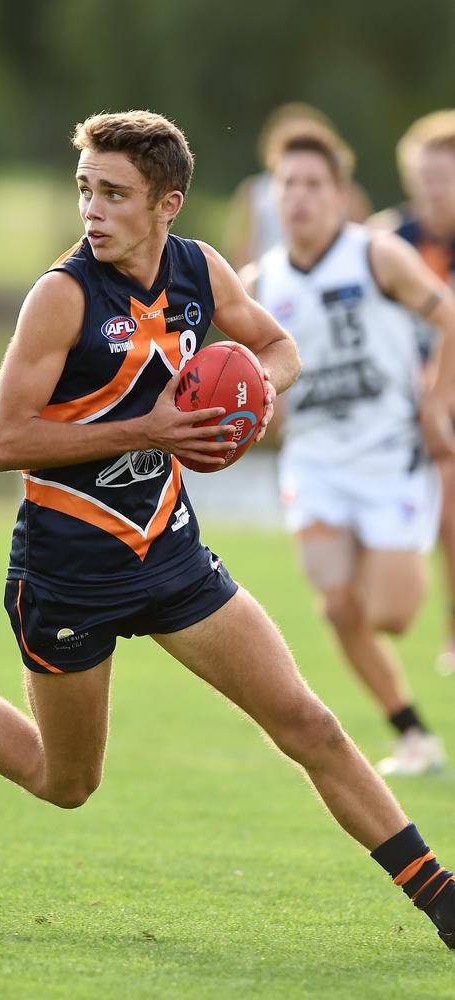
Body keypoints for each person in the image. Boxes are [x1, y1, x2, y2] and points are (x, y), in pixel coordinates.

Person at [0, 110, 455, 949]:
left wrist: (254, 392)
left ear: (168, 203)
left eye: (114, 194)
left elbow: (279, 345)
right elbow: (7, 443)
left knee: (310, 724)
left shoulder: (199, 268)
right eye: (86, 190)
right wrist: (150, 430)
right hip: (67, 570)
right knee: (65, 780)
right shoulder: (62, 296)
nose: (93, 210)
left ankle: (440, 900)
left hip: (171, 552)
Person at [241, 127, 455, 778]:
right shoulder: (257, 281)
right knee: (336, 606)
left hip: (389, 454)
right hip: (315, 462)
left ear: (339, 195)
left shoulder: (376, 256)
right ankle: (412, 733)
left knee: (389, 615)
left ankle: (383, 559)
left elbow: (449, 316)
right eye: (288, 185)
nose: (299, 198)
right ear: (274, 197)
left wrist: (435, 400)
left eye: (313, 185)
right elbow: (245, 370)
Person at [369, 110, 455, 676]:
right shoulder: (385, 239)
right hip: (394, 403)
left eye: (444, 175)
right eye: (425, 174)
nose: (433, 186)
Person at [224, 102, 371, 270]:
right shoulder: (253, 191)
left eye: (313, 184)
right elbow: (241, 250)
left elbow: (363, 243)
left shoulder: (349, 193)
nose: (300, 194)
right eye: (289, 183)